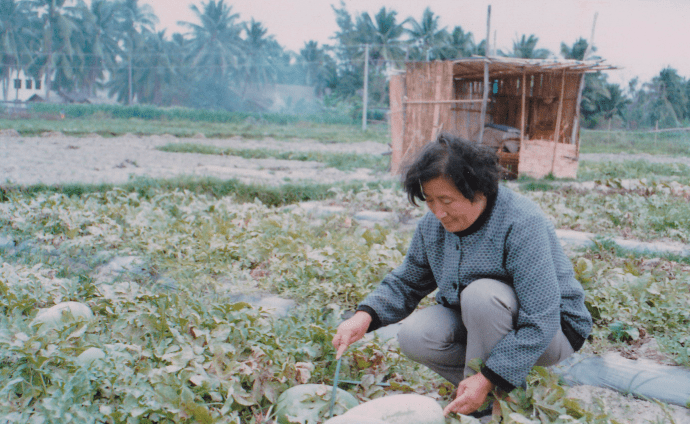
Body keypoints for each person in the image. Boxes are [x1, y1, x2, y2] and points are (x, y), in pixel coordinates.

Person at [331, 133, 592, 417]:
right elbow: (407, 280)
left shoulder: (520, 222)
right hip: (483, 323)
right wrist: (364, 316)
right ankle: (502, 388)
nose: (438, 212)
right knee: (414, 335)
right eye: (429, 200)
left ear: (478, 190)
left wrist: (487, 376)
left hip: (552, 331)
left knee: (482, 296)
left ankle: (485, 404)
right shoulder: (433, 226)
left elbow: (541, 318)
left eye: (446, 200)